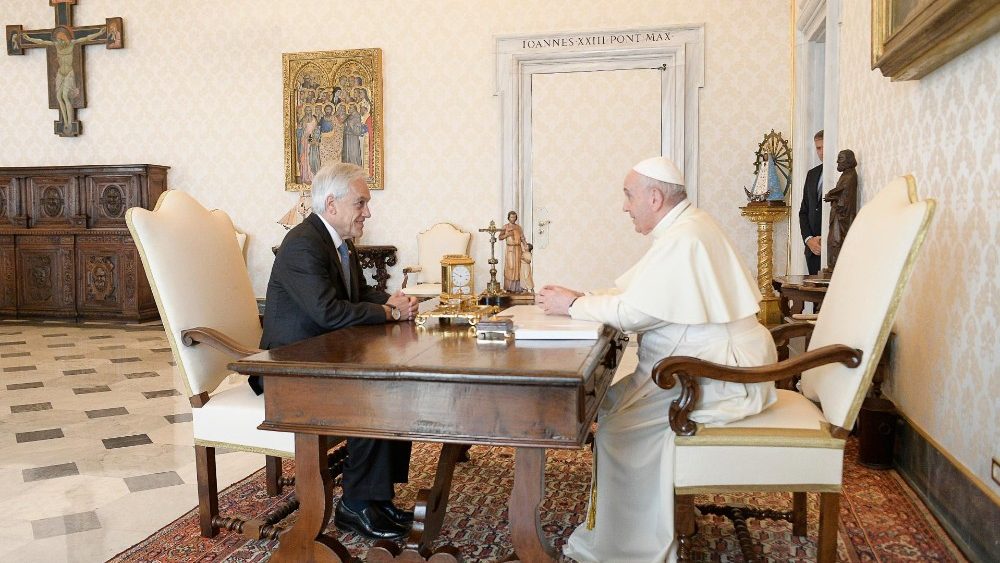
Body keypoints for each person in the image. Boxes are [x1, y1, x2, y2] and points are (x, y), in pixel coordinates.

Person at [536, 156, 778, 563]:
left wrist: (575, 304)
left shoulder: (685, 236)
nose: (624, 206)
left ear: (654, 197)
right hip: (705, 362)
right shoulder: (686, 227)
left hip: (721, 374)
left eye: (628, 196)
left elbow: (636, 313)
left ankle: (630, 546)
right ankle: (628, 525)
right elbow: (641, 295)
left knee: (618, 424)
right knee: (611, 405)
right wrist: (585, 298)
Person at [254, 162, 419, 540]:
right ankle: (355, 506)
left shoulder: (338, 242)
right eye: (361, 203)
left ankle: (377, 499)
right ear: (331, 204)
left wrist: (393, 301)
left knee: (395, 385)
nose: (368, 212)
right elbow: (328, 311)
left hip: (322, 357)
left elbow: (357, 296)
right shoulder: (302, 245)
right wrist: (387, 312)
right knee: (373, 394)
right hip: (289, 368)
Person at [22, 25, 106, 134]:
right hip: (61, 73)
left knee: (65, 96)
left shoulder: (72, 43)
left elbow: (87, 38)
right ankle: (65, 121)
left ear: (65, 38)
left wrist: (99, 33)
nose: (59, 42)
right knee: (58, 97)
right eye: (58, 40)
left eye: (61, 39)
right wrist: (28, 39)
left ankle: (69, 122)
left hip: (69, 73)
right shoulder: (56, 45)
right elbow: (41, 42)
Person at [824, 149, 858, 270]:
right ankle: (833, 265)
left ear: (849, 161)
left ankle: (836, 267)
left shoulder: (851, 175)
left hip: (842, 214)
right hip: (838, 213)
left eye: (841, 158)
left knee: (836, 240)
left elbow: (843, 190)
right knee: (832, 240)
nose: (837, 161)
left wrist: (830, 195)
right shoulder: (845, 174)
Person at [799, 129, 824, 275]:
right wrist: (809, 240)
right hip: (812, 250)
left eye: (823, 147)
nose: (820, 152)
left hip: (831, 248)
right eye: (818, 148)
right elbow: (804, 211)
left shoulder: (841, 173)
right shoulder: (812, 174)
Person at [498, 210, 524, 292]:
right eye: (511, 217)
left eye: (514, 217)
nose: (513, 219)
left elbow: (522, 237)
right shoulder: (505, 227)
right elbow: (500, 237)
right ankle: (508, 288)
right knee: (511, 266)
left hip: (518, 249)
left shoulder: (518, 227)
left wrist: (526, 245)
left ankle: (517, 288)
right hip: (510, 249)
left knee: (518, 267)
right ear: (508, 218)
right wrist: (507, 234)